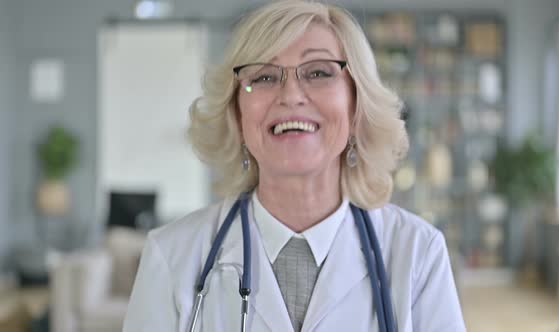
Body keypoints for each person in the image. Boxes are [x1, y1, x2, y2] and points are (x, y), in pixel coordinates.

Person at [123, 1, 466, 331]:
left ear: (356, 107)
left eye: (318, 72)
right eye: (265, 77)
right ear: (237, 113)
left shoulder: (417, 252)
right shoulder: (171, 257)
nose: (290, 96)